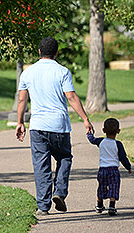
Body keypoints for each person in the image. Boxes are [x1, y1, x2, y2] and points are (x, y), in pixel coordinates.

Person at [16, 37, 94, 215]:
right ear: (56, 52)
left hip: (37, 126)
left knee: (41, 165)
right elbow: (71, 97)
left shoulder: (28, 73)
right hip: (59, 126)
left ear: (39, 52)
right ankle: (59, 192)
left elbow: (22, 99)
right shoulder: (63, 71)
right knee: (64, 157)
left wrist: (20, 122)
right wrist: (85, 118)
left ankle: (43, 207)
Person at [87, 118, 132, 216]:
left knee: (101, 187)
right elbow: (123, 157)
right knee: (114, 187)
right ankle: (111, 206)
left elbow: (92, 140)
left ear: (103, 130)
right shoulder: (118, 144)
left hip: (102, 170)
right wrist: (128, 167)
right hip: (114, 170)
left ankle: (99, 205)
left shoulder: (101, 141)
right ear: (118, 131)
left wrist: (89, 133)